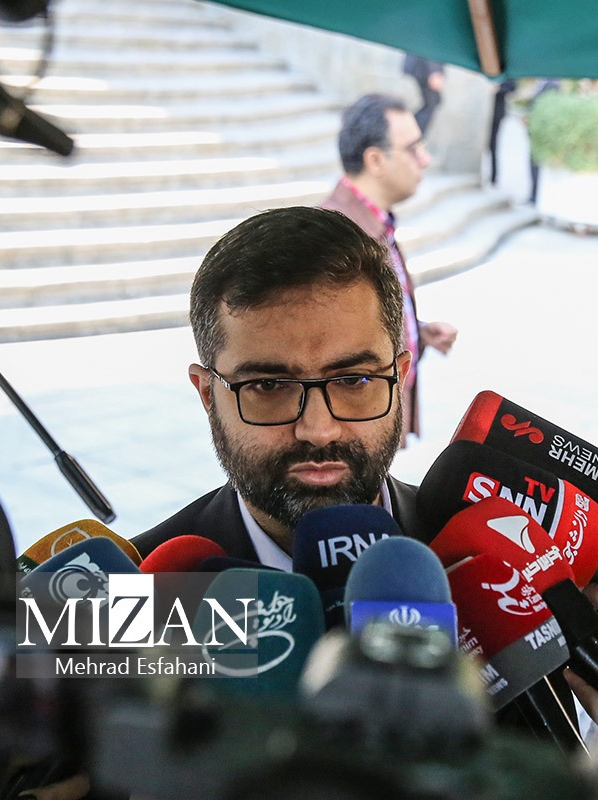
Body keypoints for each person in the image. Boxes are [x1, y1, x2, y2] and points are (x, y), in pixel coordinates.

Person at [132, 206, 423, 560]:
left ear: (399, 379)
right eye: (269, 386)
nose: (319, 431)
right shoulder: (131, 586)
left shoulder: (478, 556)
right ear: (208, 394)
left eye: (353, 380)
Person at [321, 94, 458, 449]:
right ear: (375, 160)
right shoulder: (338, 236)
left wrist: (417, 330)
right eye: (413, 149)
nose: (424, 159)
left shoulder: (373, 223)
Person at [401, 55, 445, 133]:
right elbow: (431, 49)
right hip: (423, 70)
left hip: (420, 69)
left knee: (433, 102)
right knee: (431, 103)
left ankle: (408, 134)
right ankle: (409, 135)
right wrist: (434, 71)